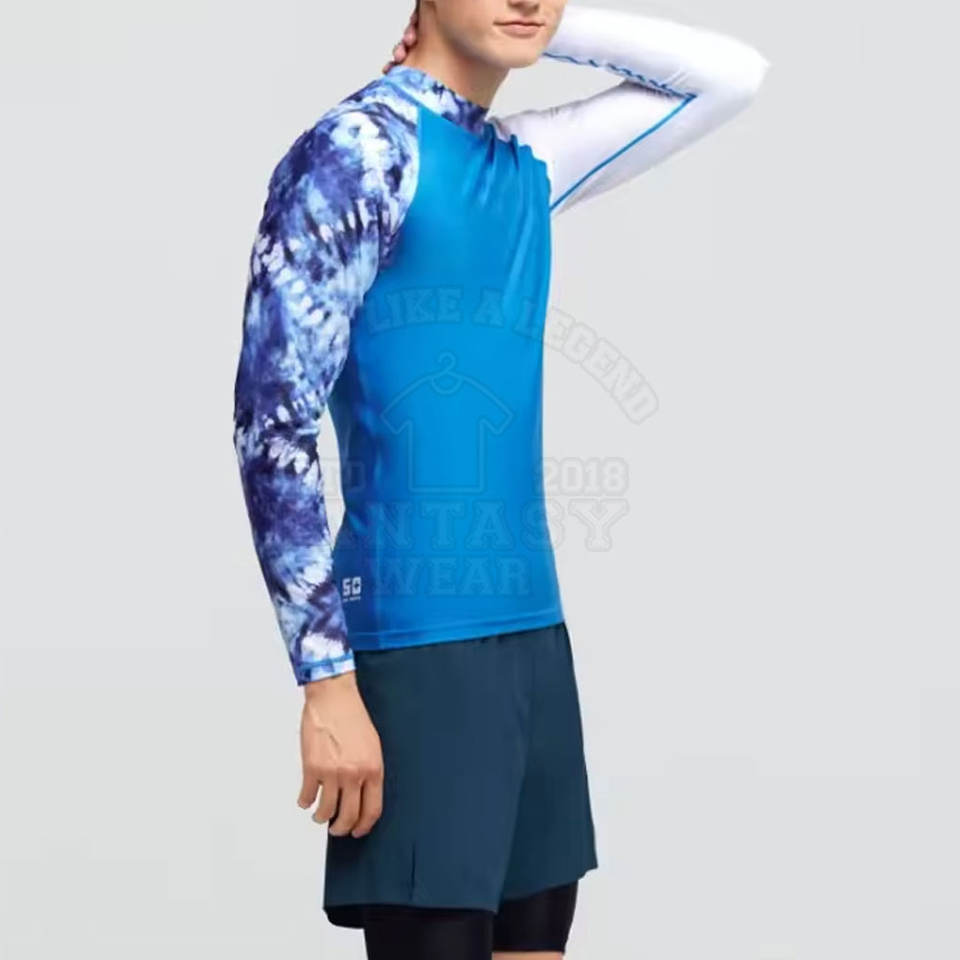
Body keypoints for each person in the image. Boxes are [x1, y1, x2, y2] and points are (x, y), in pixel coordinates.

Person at [232, 1, 770, 956]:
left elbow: (731, 75)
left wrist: (542, 24)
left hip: (532, 638)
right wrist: (325, 679)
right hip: (415, 646)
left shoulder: (526, 161)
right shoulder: (359, 151)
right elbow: (271, 423)